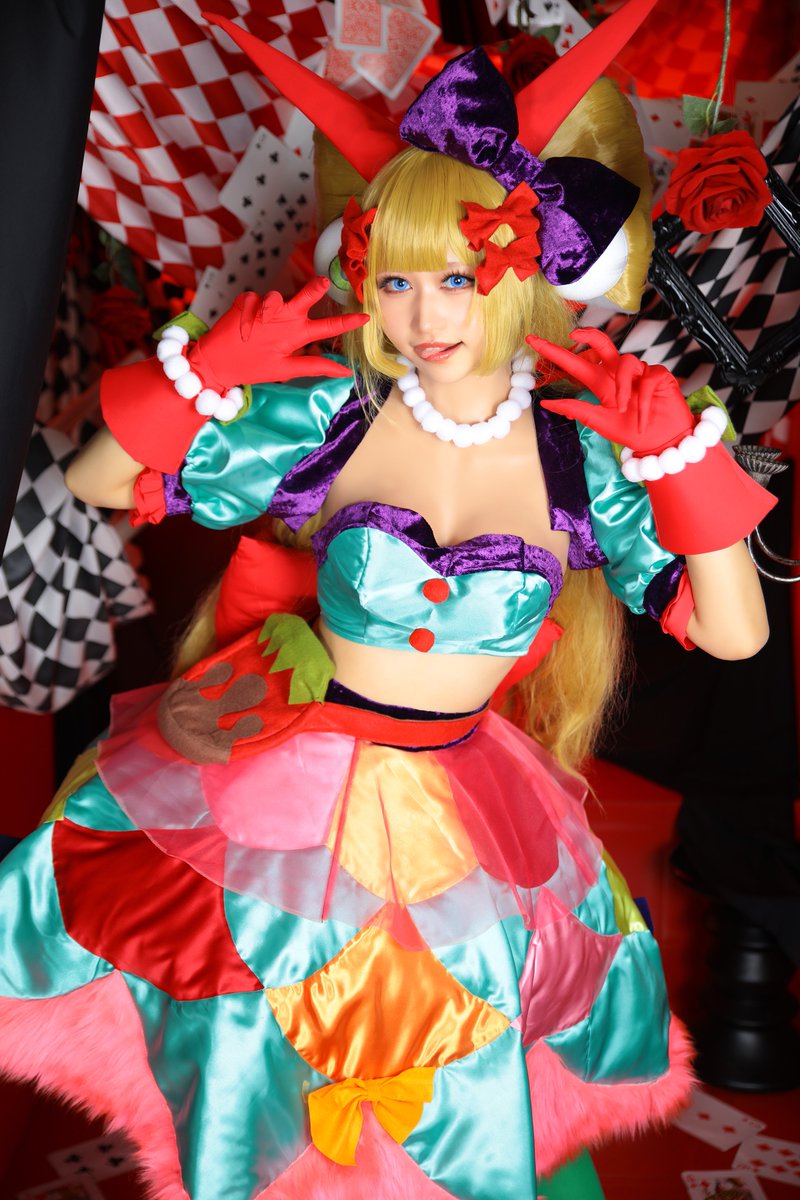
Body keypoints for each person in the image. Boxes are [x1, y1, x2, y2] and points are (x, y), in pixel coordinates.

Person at [0, 5, 776, 1199]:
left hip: (467, 803)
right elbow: (103, 481)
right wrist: (199, 379)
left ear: (524, 272)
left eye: (457, 278)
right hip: (288, 787)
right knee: (261, 1060)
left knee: (448, 1070)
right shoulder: (336, 413)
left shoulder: (580, 456)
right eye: (396, 279)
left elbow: (733, 632)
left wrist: (681, 465)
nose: (423, 317)